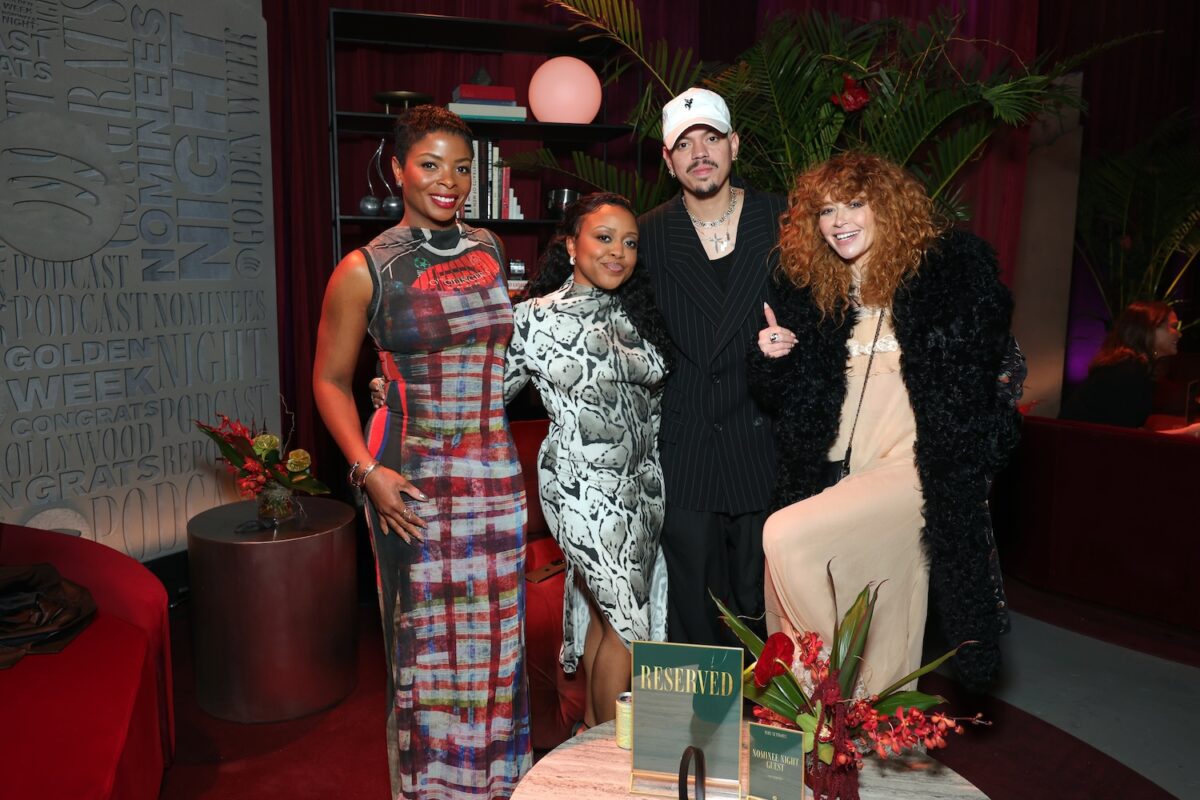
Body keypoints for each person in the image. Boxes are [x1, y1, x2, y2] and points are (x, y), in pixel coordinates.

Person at [312, 105, 530, 799]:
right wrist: (366, 471)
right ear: (398, 168)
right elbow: (328, 380)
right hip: (414, 483)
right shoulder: (365, 267)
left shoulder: (490, 248)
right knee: (423, 660)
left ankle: (495, 786)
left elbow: (497, 354)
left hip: (495, 475)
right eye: (430, 165)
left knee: (498, 651)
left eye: (462, 168)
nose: (449, 181)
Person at [750, 152, 1020, 692]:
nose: (839, 220)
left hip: (913, 471)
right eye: (826, 211)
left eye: (854, 204)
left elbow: (988, 378)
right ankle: (854, 732)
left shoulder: (942, 282)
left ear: (889, 209)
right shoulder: (817, 294)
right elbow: (789, 401)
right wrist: (772, 357)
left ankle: (827, 694)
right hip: (841, 471)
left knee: (783, 534)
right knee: (879, 601)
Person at [504, 192, 672, 728]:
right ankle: (603, 752)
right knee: (630, 630)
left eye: (629, 242)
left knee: (610, 622)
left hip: (642, 492)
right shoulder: (533, 318)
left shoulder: (637, 313)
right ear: (571, 245)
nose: (618, 252)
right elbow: (485, 396)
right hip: (582, 489)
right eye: (604, 238)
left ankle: (590, 743)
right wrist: (398, 394)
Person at [637, 87, 786, 648]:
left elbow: (825, 317)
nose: (701, 152)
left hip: (762, 445)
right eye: (685, 143)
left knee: (761, 609)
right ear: (668, 161)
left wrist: (792, 348)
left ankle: (765, 728)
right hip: (687, 448)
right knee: (692, 610)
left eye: (713, 138)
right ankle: (699, 735)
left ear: (735, 146)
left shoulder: (782, 219)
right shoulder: (648, 234)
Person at [1060, 301, 1200, 435]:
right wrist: (1188, 432)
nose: (1179, 334)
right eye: (1174, 327)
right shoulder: (1129, 371)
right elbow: (1127, 440)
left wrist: (1189, 431)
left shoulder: (1131, 365)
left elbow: (1129, 434)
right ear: (1150, 329)